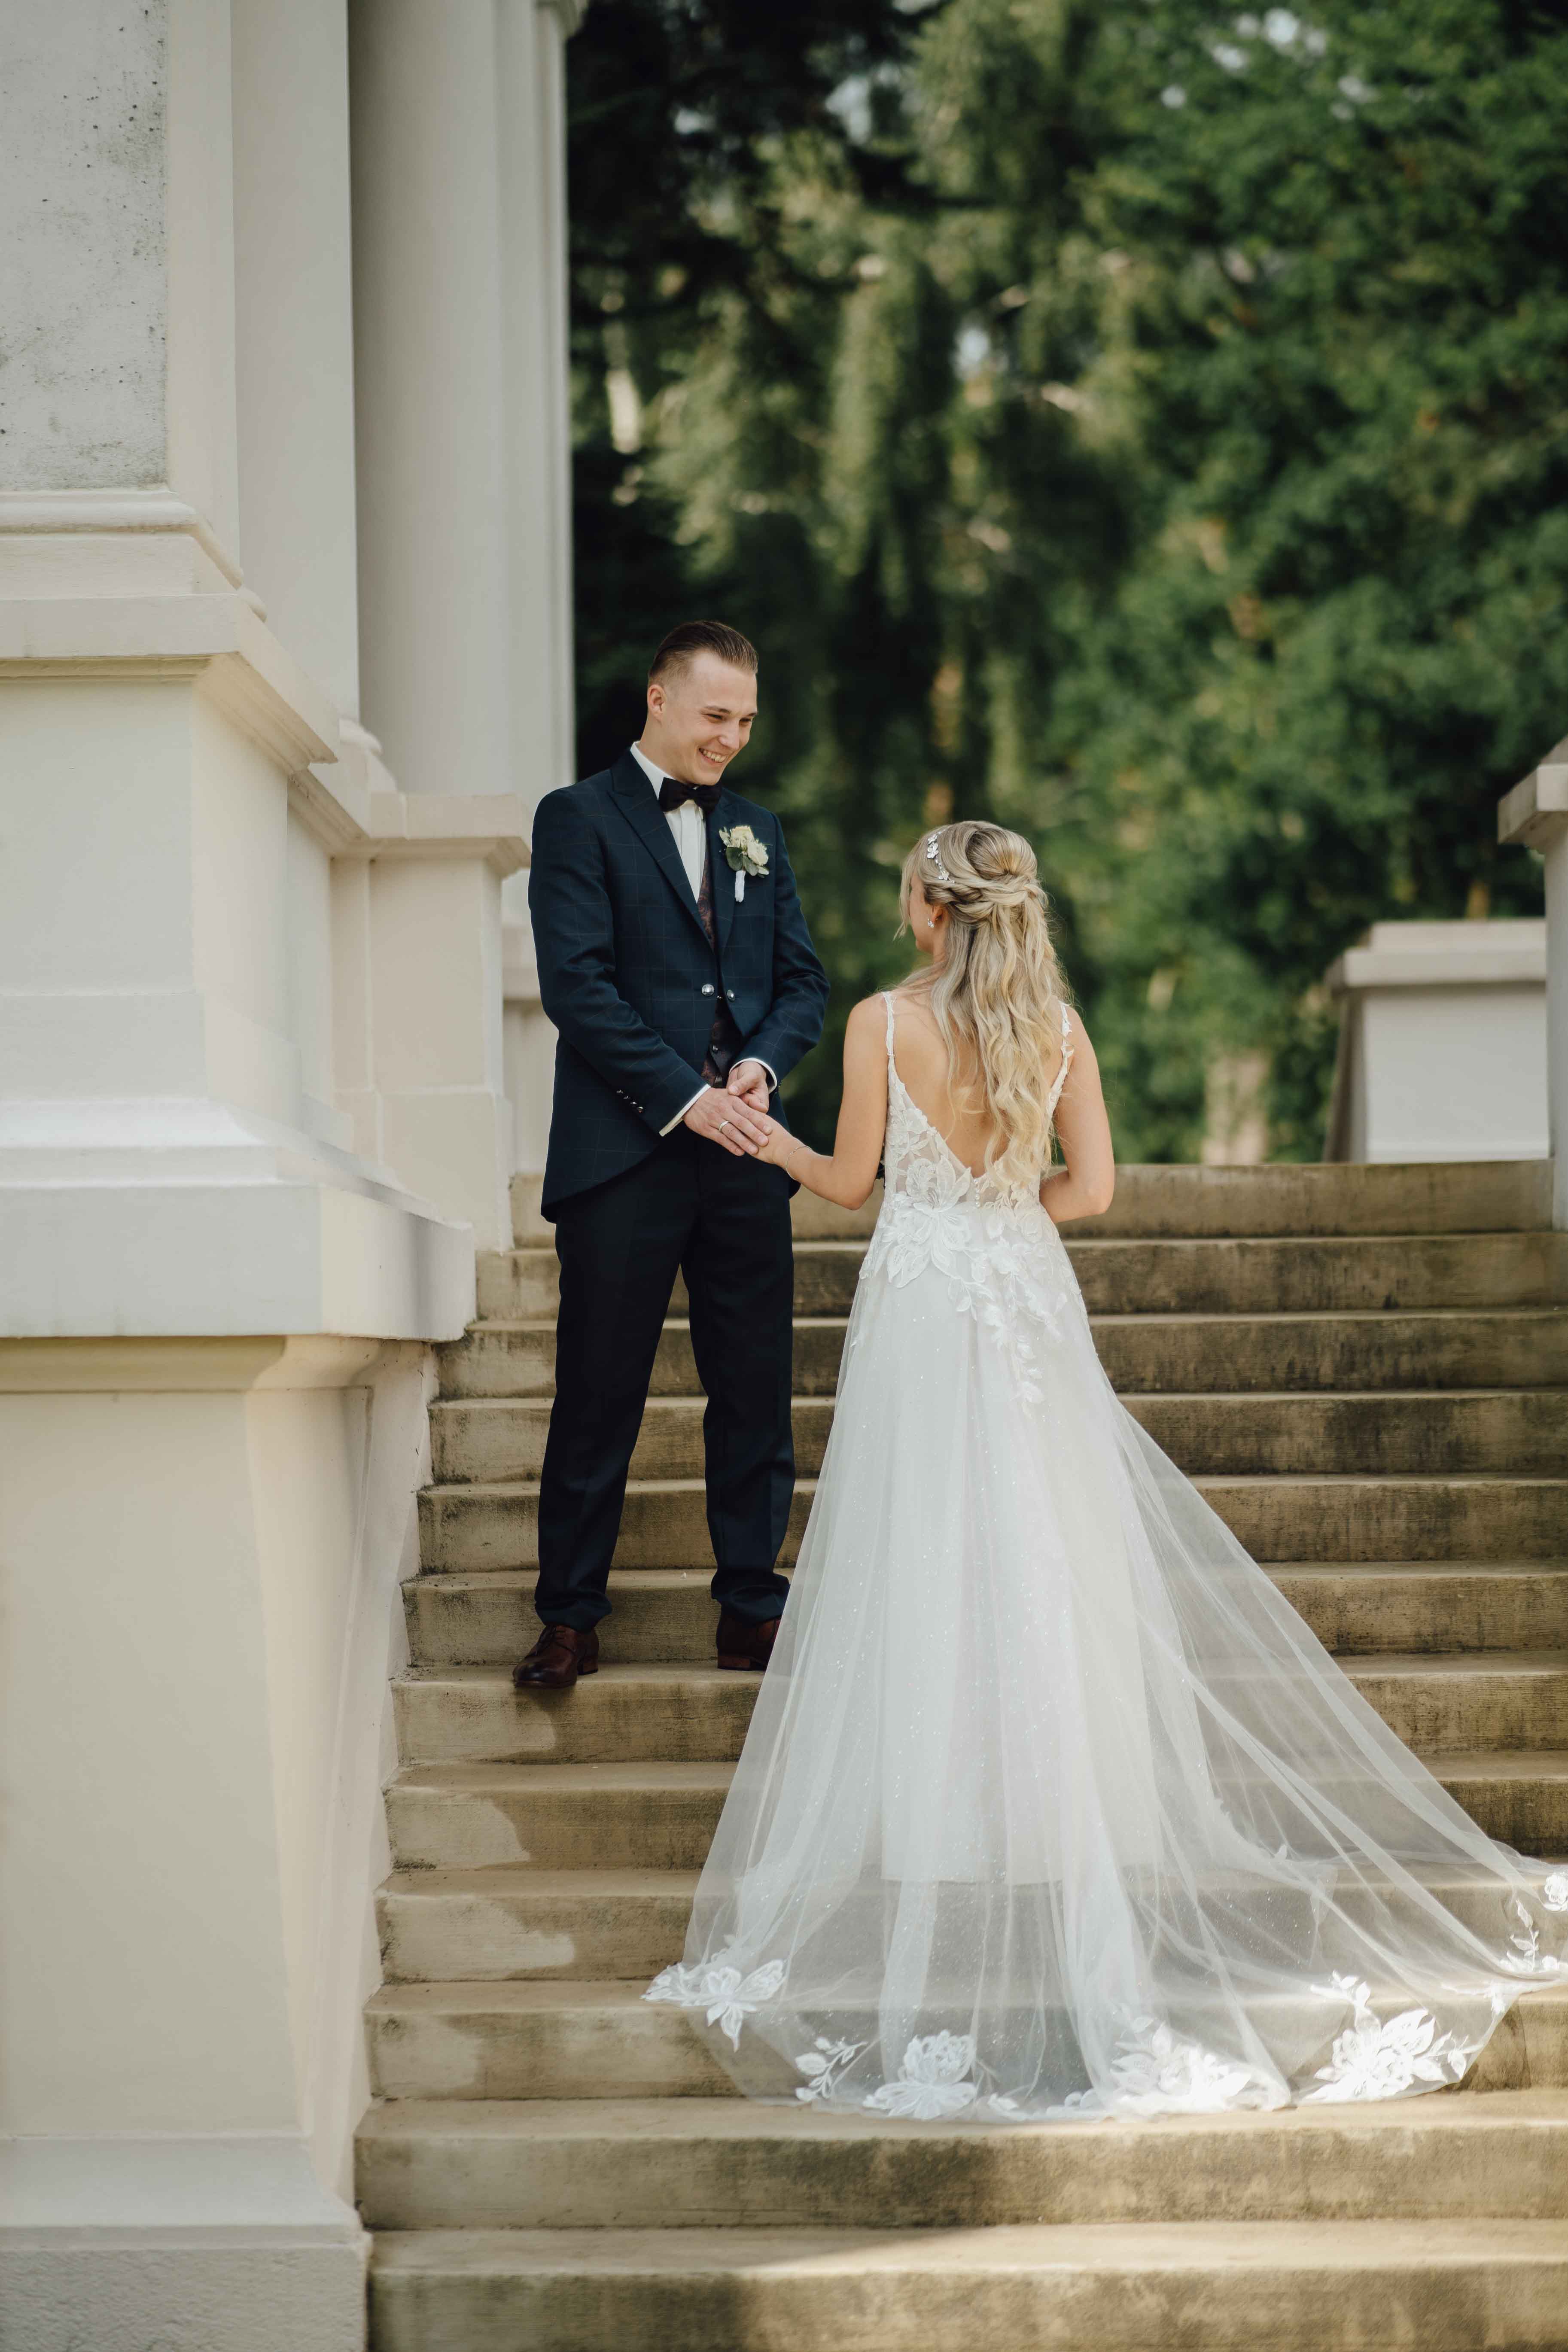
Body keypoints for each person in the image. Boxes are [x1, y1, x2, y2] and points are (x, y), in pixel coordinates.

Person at [646, 819, 1566, 2120]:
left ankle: (943, 1819)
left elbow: (847, 1185)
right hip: (1021, 1286)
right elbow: (1094, 1190)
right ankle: (1058, 1804)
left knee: (924, 1545)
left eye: (908, 891)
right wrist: (1000, 1204)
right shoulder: (1055, 1028)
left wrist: (763, 1135)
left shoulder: (879, 1023)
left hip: (918, 1302)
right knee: (1046, 1541)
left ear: (928, 909)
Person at [517, 621, 828, 1691]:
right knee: (599, 1389)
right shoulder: (575, 819)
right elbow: (578, 987)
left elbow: (800, 986)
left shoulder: (757, 831)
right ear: (657, 699)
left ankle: (751, 1609)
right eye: (714, 716)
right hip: (624, 1155)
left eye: (744, 720)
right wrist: (683, 1097)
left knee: (754, 1390)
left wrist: (760, 1071)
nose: (731, 739)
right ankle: (568, 1617)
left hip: (744, 1153)